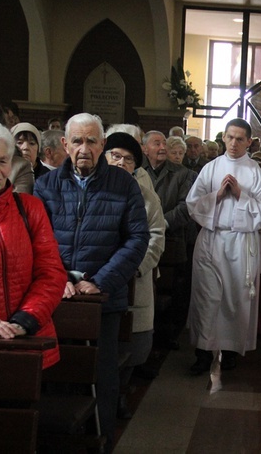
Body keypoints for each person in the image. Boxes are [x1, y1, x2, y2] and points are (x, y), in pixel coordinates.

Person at [34, 113, 149, 447]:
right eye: (77, 141)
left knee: (103, 373)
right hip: (56, 296)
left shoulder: (123, 183)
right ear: (65, 145)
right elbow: (38, 239)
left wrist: (102, 280)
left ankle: (103, 438)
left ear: (102, 145)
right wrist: (57, 278)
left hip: (103, 297)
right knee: (57, 371)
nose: (84, 148)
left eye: (92, 141)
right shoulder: (46, 185)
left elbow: (137, 239)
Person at [0, 121, 66, 368]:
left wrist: (23, 321)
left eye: (3, 160)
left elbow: (51, 273)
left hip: (28, 338)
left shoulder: (29, 208)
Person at [186, 118, 261, 375]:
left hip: (240, 243)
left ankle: (231, 351)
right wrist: (218, 196)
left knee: (235, 297)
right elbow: (193, 203)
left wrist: (240, 195)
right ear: (224, 138)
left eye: (240, 139)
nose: (234, 143)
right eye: (230, 137)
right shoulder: (211, 168)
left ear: (249, 142)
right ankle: (202, 352)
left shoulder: (255, 171)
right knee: (206, 297)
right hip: (212, 239)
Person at [102, 132, 166, 419]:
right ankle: (104, 395)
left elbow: (156, 235)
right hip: (99, 279)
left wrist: (134, 267)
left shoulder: (145, 193)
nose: (121, 162)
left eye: (128, 159)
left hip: (134, 278)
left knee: (133, 343)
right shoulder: (95, 186)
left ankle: (120, 392)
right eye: (115, 155)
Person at [141, 130, 194, 349]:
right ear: (144, 149)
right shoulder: (138, 172)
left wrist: (159, 224)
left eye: (164, 143)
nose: (162, 147)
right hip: (142, 241)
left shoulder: (183, 174)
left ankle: (166, 338)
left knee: (172, 291)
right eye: (156, 143)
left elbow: (186, 206)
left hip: (173, 241)